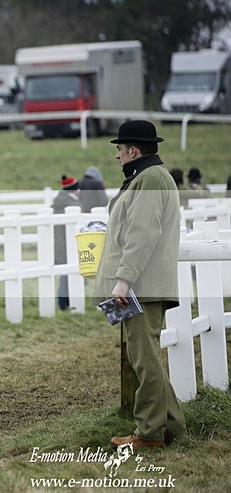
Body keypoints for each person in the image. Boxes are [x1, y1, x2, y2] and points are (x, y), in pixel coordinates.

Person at [92, 120, 186, 449]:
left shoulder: (149, 180)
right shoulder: (147, 178)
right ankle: (172, 427)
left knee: (145, 362)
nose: (117, 156)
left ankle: (148, 434)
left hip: (140, 287)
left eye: (119, 150)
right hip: (142, 285)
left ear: (133, 150)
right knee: (147, 360)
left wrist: (123, 280)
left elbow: (142, 235)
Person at [52, 175, 81, 311]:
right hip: (67, 243)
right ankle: (65, 303)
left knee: (65, 274)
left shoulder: (58, 202)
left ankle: (64, 302)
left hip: (59, 243)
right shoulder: (72, 205)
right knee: (67, 275)